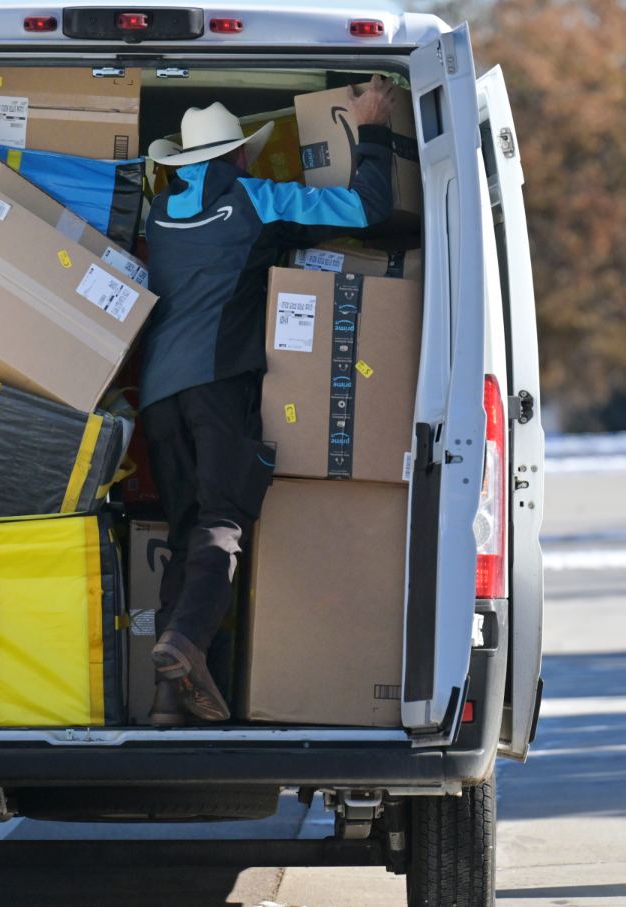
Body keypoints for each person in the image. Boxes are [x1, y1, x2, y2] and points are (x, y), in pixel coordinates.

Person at [140, 77, 398, 724]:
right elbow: (367, 210)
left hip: (157, 396)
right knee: (223, 520)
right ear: (237, 156)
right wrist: (369, 128)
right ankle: (184, 644)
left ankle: (168, 699)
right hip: (219, 383)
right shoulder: (254, 198)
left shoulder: (159, 213)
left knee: (185, 531)